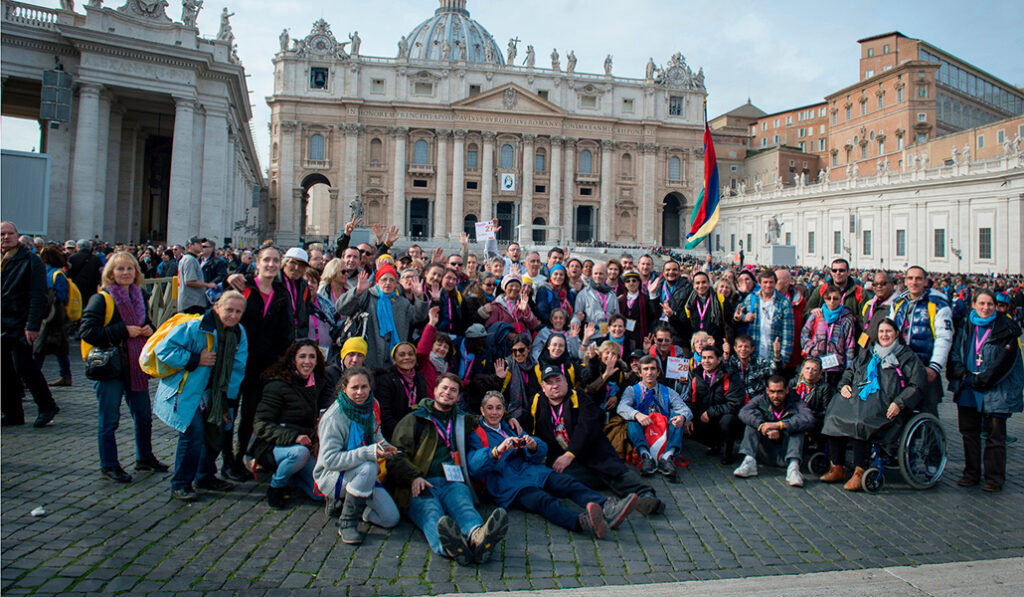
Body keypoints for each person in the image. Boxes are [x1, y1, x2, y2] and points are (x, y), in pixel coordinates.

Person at [468, 391, 637, 539]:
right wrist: (497, 450)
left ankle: (606, 506)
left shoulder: (511, 426)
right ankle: (581, 522)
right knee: (543, 501)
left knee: (565, 482)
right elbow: (474, 466)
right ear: (482, 411)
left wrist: (533, 446)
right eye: (489, 408)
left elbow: (540, 450)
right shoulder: (476, 434)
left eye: (498, 408)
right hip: (506, 484)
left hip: (531, 471)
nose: (494, 412)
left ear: (504, 411)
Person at [388, 373, 510, 565]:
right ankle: (449, 546)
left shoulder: (461, 420)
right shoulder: (413, 419)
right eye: (444, 388)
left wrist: (509, 418)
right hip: (421, 481)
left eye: (453, 390)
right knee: (430, 512)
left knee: (463, 506)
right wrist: (413, 477)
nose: (448, 393)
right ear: (435, 391)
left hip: (452, 481)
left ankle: (478, 536)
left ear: (458, 396)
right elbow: (396, 455)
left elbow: (487, 416)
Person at [520, 366, 663, 515]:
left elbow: (586, 428)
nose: (555, 385)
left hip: (591, 450)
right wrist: (509, 420)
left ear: (566, 382)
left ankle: (645, 495)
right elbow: (526, 424)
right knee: (561, 478)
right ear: (543, 387)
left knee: (611, 470)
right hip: (564, 459)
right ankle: (606, 490)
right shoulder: (537, 403)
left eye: (558, 380)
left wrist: (569, 454)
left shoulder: (580, 397)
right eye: (549, 383)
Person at [152, 291, 249, 501]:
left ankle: (205, 475)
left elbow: (237, 369)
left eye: (238, 312)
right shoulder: (195, 327)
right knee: (193, 436)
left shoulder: (239, 333)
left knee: (218, 431)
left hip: (215, 394)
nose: (232, 315)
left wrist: (227, 403)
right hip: (187, 392)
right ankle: (180, 483)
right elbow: (163, 349)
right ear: (216, 307)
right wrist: (195, 358)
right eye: (228, 310)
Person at [79, 252, 165, 482]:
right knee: (109, 419)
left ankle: (144, 457)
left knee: (144, 416)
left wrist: (150, 330)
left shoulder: (139, 296)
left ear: (137, 273)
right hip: (111, 368)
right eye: (120, 269)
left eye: (130, 269)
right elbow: (87, 332)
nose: (126, 273)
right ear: (111, 273)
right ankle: (109, 464)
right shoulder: (102, 299)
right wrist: (123, 330)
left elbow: (144, 324)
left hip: (135, 366)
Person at [820, 319, 927, 491]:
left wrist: (900, 403)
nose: (884, 335)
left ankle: (859, 471)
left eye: (888, 331)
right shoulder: (867, 353)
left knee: (860, 421)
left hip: (886, 403)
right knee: (833, 415)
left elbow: (916, 385)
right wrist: (844, 385)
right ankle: (837, 466)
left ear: (897, 333)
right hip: (861, 396)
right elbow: (850, 371)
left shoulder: (907, 357)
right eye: (881, 331)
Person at [314, 366, 401, 544]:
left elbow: (376, 435)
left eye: (364, 387)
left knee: (390, 519)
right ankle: (347, 522)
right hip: (332, 475)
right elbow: (329, 460)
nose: (360, 392)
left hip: (360, 472)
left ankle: (351, 505)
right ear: (344, 389)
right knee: (369, 467)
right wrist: (369, 452)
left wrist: (386, 447)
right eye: (354, 388)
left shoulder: (369, 406)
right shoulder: (334, 417)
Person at [948, 289, 1024, 492]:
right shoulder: (965, 324)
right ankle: (971, 473)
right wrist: (963, 374)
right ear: (973, 304)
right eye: (981, 303)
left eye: (989, 304)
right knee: (969, 433)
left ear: (995, 306)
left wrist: (984, 378)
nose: (985, 308)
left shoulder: (1006, 327)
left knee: (995, 436)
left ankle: (994, 477)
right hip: (968, 387)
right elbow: (956, 352)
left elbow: (1005, 362)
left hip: (995, 388)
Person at [230, 246, 293, 482]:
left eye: (275, 260)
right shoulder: (243, 286)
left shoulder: (281, 293)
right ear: (257, 262)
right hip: (236, 363)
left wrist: (280, 360)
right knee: (227, 413)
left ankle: (239, 458)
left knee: (249, 416)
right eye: (266, 260)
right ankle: (225, 460)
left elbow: (285, 330)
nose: (271, 264)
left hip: (262, 367)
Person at [251, 339, 327, 509]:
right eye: (302, 356)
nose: (307, 361)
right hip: (274, 446)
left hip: (305, 445)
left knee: (322, 494)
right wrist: (294, 437)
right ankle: (276, 486)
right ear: (293, 359)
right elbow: (261, 424)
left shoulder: (317, 383)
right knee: (299, 454)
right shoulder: (277, 384)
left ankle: (292, 476)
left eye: (312, 357)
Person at [1, 221, 60, 427]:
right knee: (4, 370)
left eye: (9, 233)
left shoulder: (31, 260)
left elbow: (38, 295)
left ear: (18, 235)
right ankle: (12, 412)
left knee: (25, 367)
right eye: (2, 234)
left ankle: (47, 406)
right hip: (2, 322)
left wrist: (33, 325)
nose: (5, 237)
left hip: (21, 322)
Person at [337, 257, 428, 369]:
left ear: (396, 283)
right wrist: (357, 292)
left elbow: (418, 317)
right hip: (368, 358)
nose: (387, 283)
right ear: (377, 281)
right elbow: (342, 309)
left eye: (391, 280)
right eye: (384, 279)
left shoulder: (402, 302)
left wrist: (420, 297)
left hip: (392, 361)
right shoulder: (367, 296)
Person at [889, 266, 953, 415]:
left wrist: (935, 366)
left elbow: (944, 339)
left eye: (918, 278)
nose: (914, 282)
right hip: (902, 365)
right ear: (905, 281)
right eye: (910, 278)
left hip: (925, 366)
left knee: (927, 410)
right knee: (902, 409)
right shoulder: (899, 303)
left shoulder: (937, 305)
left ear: (925, 281)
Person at [617, 356, 693, 478]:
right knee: (631, 417)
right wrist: (637, 414)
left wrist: (683, 417)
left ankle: (667, 457)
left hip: (662, 432)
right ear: (640, 373)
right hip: (642, 430)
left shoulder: (668, 391)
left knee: (677, 415)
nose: (649, 372)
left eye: (653, 369)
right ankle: (645, 456)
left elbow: (684, 409)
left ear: (658, 372)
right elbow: (621, 407)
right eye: (645, 369)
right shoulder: (631, 390)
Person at [733, 375, 816, 487]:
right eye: (772, 392)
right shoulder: (760, 399)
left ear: (787, 390)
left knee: (798, 427)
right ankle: (749, 462)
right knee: (752, 422)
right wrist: (762, 425)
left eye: (780, 392)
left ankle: (794, 469)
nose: (775, 396)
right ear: (767, 390)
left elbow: (809, 419)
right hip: (764, 451)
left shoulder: (796, 401)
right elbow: (743, 412)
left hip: (786, 451)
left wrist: (779, 426)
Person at [683, 345, 745, 464]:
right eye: (704, 358)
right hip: (704, 416)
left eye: (710, 358)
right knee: (686, 426)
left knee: (728, 420)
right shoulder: (696, 375)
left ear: (719, 359)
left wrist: (711, 412)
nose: (706, 361)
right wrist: (688, 417)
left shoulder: (730, 375)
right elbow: (690, 401)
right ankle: (714, 444)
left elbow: (735, 403)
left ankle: (728, 452)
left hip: (723, 415)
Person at [800, 284, 857, 386]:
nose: (832, 301)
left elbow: (849, 345)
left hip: (836, 367)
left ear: (840, 299)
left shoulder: (846, 319)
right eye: (828, 298)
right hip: (815, 365)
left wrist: (848, 370)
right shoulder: (817, 315)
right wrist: (811, 349)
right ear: (824, 299)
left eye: (835, 298)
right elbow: (804, 334)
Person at [736, 269, 794, 365]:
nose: (768, 285)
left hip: (773, 355)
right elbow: (739, 314)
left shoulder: (784, 303)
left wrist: (784, 358)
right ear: (759, 283)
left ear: (775, 283)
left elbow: (788, 333)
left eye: (771, 282)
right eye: (765, 282)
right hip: (753, 354)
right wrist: (744, 317)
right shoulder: (751, 298)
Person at [33, 246, 73, 387]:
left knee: (41, 348)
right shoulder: (49, 272)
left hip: (54, 316)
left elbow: (62, 297)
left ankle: (31, 377)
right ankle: (65, 375)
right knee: (56, 348)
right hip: (51, 315)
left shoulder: (57, 274)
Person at [376, 342, 430, 441]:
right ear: (394, 360)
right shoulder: (385, 380)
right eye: (402, 355)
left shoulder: (421, 379)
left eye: (410, 354)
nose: (407, 357)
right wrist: (403, 435)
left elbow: (424, 409)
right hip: (393, 436)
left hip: (416, 435)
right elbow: (384, 415)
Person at [724, 334, 780, 404]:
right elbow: (721, 369)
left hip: (757, 401)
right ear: (735, 348)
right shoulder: (731, 361)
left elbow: (774, 369)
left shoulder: (759, 361)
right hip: (737, 401)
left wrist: (777, 354)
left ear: (752, 349)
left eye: (746, 347)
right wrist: (726, 354)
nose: (743, 349)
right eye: (740, 347)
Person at [493, 334, 537, 419]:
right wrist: (499, 379)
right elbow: (498, 393)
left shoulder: (535, 366)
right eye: (514, 351)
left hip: (531, 411)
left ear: (528, 349)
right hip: (511, 413)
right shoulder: (507, 366)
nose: (518, 354)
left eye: (521, 350)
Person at [320, 336, 369, 410]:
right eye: (351, 354)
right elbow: (327, 403)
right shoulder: (329, 373)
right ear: (343, 355)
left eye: (360, 355)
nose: (355, 360)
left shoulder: (367, 376)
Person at [684, 271, 730, 345]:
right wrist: (672, 316)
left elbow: (730, 323)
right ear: (693, 285)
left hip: (717, 345)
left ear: (709, 283)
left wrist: (736, 319)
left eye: (704, 282)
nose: (701, 286)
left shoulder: (721, 299)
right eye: (697, 283)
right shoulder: (689, 303)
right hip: (698, 346)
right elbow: (686, 326)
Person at [574, 263, 620, 327]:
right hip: (591, 333)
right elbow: (577, 314)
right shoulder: (583, 294)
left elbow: (616, 316)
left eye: (601, 273)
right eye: (595, 273)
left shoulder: (612, 295)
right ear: (592, 275)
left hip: (608, 332)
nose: (598, 276)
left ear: (606, 275)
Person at [860, 271, 897, 346]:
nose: (879, 286)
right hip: (865, 351)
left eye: (883, 283)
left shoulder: (897, 307)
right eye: (875, 284)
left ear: (892, 285)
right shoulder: (868, 305)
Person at [619, 269, 654, 347]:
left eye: (634, 281)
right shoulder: (620, 300)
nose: (631, 283)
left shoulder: (646, 299)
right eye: (628, 281)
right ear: (624, 284)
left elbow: (652, 316)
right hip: (623, 335)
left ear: (639, 283)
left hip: (639, 336)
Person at [178, 236, 211, 315]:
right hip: (193, 302)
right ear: (190, 245)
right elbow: (189, 281)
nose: (201, 245)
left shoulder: (186, 258)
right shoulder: (190, 260)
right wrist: (207, 285)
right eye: (198, 243)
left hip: (189, 301)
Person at [67, 238, 104, 305]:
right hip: (91, 288)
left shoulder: (72, 258)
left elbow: (69, 273)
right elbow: (100, 274)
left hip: (76, 287)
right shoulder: (96, 259)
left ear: (78, 247)